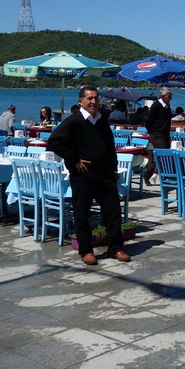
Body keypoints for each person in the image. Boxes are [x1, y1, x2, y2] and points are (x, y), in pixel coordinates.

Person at [47, 86, 130, 265]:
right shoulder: (74, 121)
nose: (93, 102)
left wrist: (114, 169)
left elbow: (110, 147)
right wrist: (74, 158)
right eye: (90, 99)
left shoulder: (102, 121)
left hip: (105, 175)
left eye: (95, 98)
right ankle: (86, 251)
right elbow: (54, 141)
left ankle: (115, 248)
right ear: (81, 101)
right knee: (82, 214)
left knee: (113, 213)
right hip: (83, 176)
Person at [143, 87, 173, 185]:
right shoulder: (156, 105)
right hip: (157, 134)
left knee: (163, 156)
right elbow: (149, 121)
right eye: (169, 96)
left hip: (165, 134)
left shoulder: (167, 106)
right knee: (162, 156)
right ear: (163, 96)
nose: (170, 98)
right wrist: (151, 133)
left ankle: (164, 177)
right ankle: (149, 174)